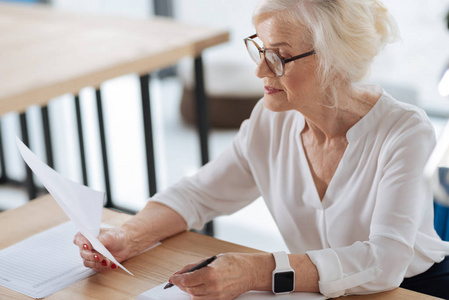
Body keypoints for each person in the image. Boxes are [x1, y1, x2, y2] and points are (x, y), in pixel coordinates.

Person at [74, 0, 449, 299]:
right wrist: (128, 235)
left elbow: (385, 262)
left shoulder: (405, 131)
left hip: (415, 290)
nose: (260, 72)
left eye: (279, 56)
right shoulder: (273, 121)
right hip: (318, 292)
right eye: (261, 49)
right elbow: (198, 193)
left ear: (335, 61)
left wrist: (257, 271)